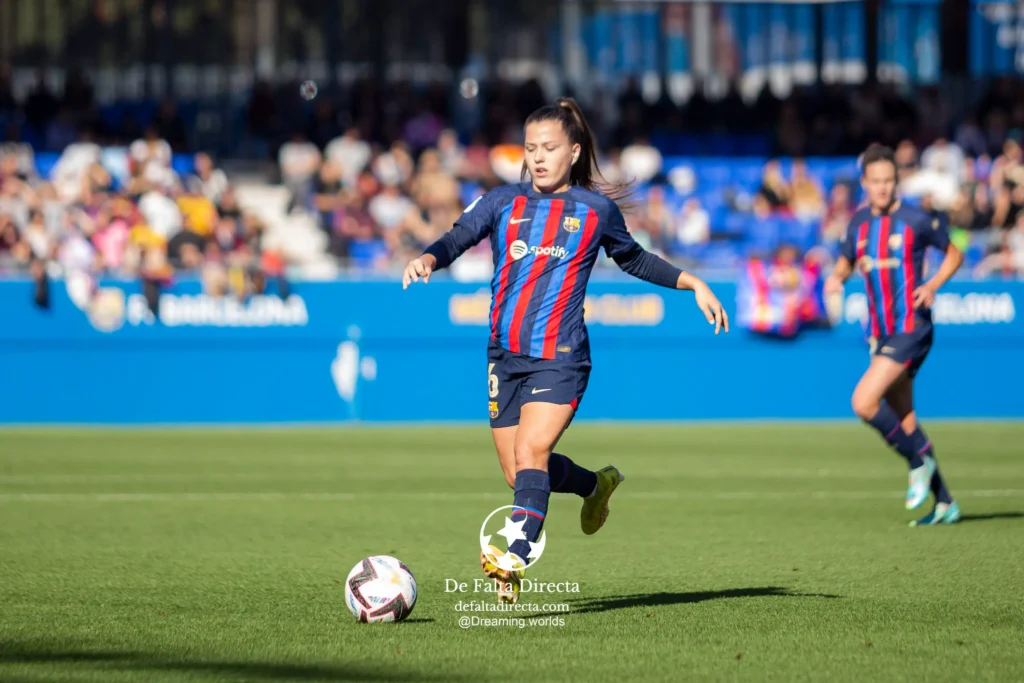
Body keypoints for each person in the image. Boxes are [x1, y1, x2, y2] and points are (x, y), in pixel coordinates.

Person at [402, 98, 729, 602]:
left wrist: (692, 283)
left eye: (549, 148)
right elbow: (459, 236)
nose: (538, 157)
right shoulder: (501, 202)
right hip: (502, 356)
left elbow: (635, 260)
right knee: (520, 474)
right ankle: (594, 485)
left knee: (532, 452)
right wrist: (427, 258)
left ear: (573, 152)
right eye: (531, 147)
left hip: (562, 355)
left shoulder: (594, 211)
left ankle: (512, 557)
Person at [825, 144, 964, 526]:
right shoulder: (857, 224)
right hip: (880, 333)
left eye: (889, 181)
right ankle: (945, 502)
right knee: (905, 420)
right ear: (865, 184)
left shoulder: (916, 219)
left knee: (864, 402)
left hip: (911, 328)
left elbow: (954, 254)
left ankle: (918, 462)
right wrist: (835, 279)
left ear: (895, 181)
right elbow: (844, 262)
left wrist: (933, 284)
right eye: (876, 182)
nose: (883, 188)